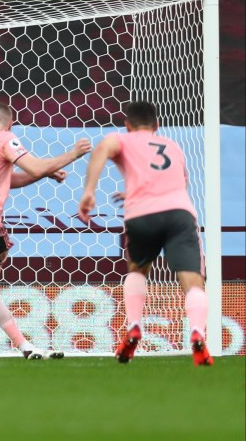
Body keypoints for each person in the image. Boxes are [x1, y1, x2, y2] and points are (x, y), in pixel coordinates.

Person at [0, 103, 91, 359]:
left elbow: (8, 179)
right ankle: (25, 346)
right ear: (10, 124)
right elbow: (33, 167)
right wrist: (73, 154)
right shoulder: (5, 139)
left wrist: (45, 174)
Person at [78, 101, 212, 366]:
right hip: (178, 213)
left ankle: (135, 325)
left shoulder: (121, 139)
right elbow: (181, 182)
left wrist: (89, 191)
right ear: (157, 126)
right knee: (193, 282)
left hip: (141, 215)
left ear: (127, 125)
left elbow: (102, 149)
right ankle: (197, 333)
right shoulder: (173, 146)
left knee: (137, 270)